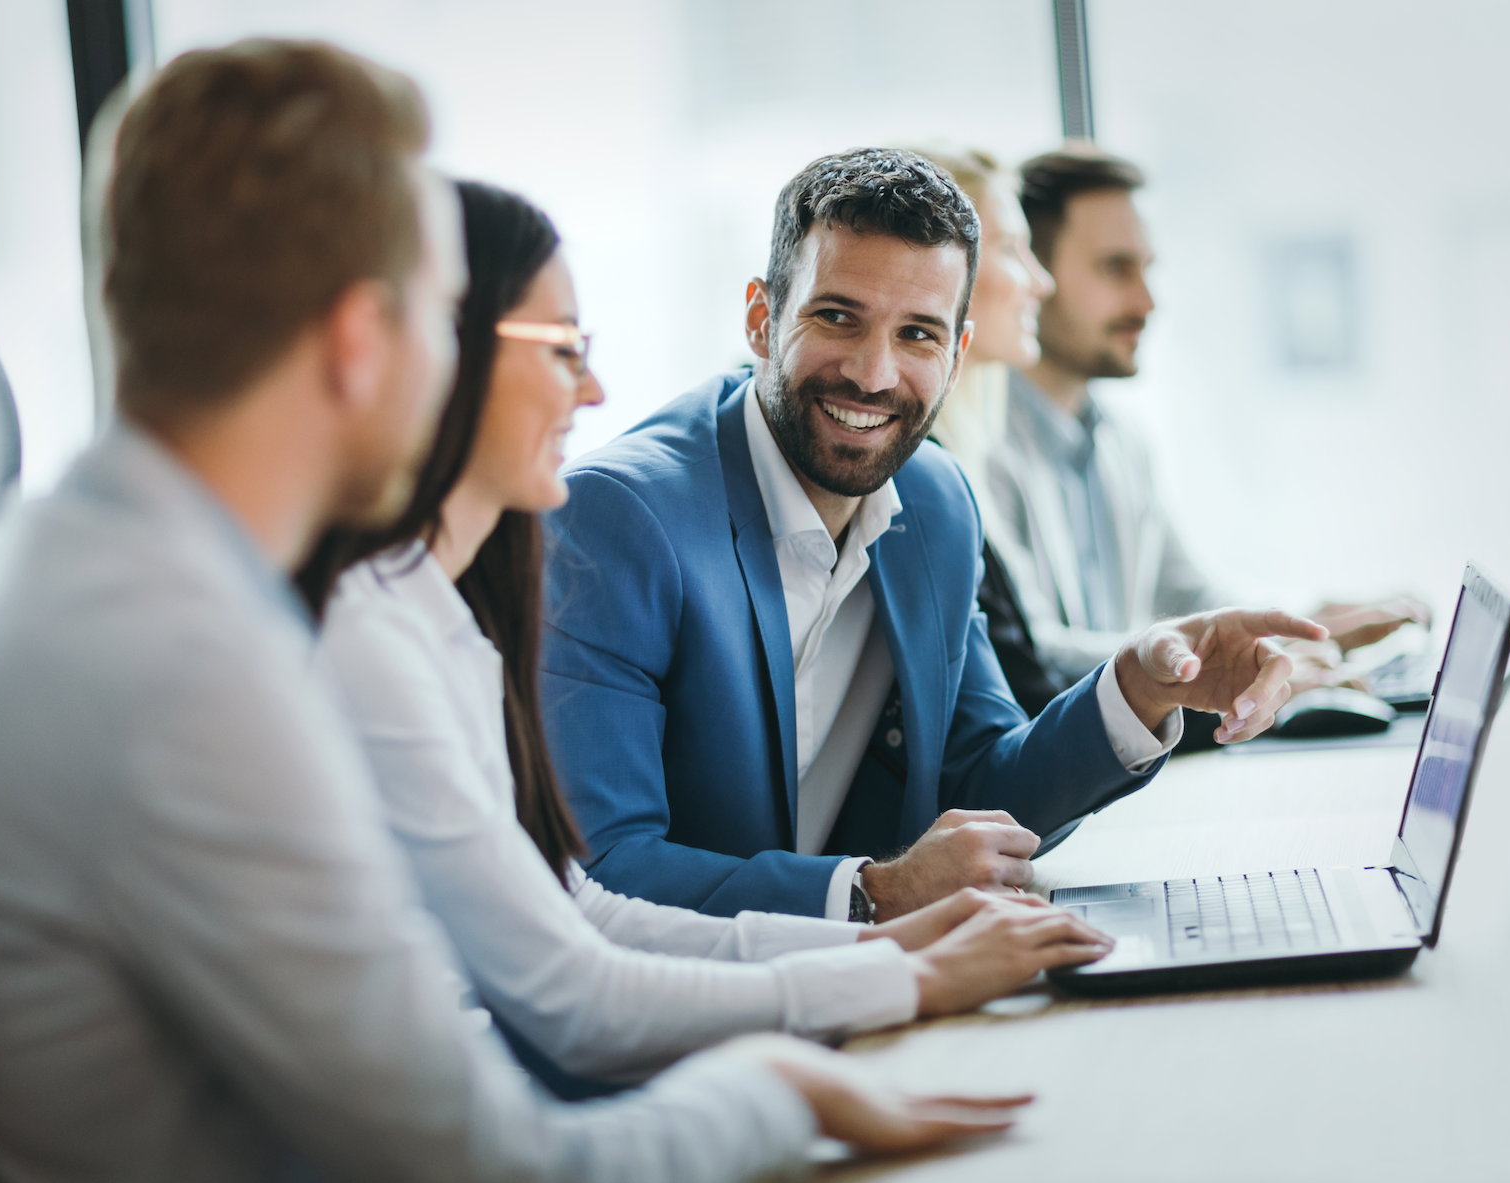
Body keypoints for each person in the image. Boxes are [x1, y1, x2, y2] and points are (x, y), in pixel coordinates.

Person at [0, 45, 1025, 1183]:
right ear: (359, 339)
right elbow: (499, 1175)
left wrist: (866, 974)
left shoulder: (63, 584)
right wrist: (778, 1087)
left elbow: (553, 939)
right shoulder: (192, 669)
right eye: (444, 316)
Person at [301, 181, 1114, 1100]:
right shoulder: (578, 534)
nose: (875, 372)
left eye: (918, 334)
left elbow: (579, 926)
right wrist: (881, 952)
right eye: (562, 346)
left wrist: (889, 952)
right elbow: (578, 959)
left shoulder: (431, 619)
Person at [540, 148, 1326, 926]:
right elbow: (601, 872)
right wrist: (875, 893)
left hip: (860, 997)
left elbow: (985, 782)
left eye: (917, 334)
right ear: (760, 316)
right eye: (837, 316)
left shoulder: (936, 500)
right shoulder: (616, 519)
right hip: (673, 1025)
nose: (873, 374)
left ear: (956, 354)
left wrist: (1140, 686)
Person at [986, 146, 1428, 706]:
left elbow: (1188, 596)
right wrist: (1223, 663)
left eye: (1147, 270)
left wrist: (1307, 620)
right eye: (1116, 268)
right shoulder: (980, 450)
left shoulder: (1122, 441)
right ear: (1036, 276)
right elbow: (1033, 660)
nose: (1147, 302)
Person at [913, 147, 1068, 717]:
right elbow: (1027, 685)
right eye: (1010, 250)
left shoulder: (971, 454)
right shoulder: (919, 475)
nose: (1041, 281)